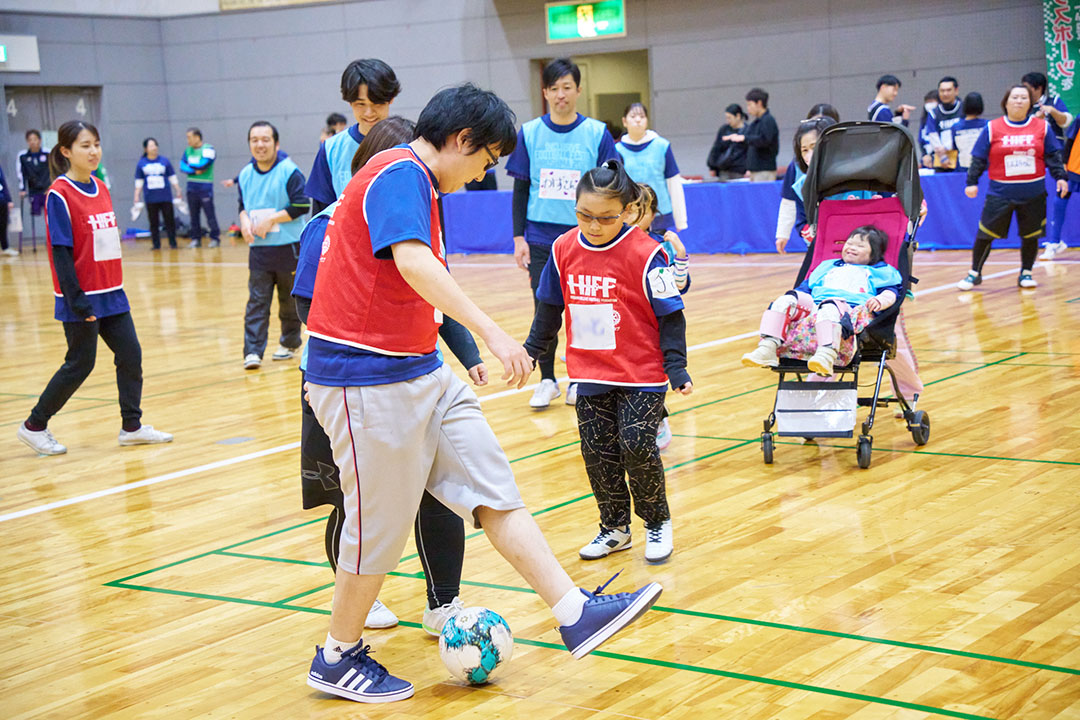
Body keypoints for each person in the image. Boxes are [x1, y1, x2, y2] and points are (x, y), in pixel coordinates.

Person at [301, 83, 661, 703]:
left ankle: (575, 611)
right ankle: (337, 655)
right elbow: (414, 264)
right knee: (377, 527)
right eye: (486, 160)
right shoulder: (397, 173)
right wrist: (492, 332)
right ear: (463, 141)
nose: (482, 175)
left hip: (419, 371)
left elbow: (413, 282)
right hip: (364, 380)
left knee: (493, 484)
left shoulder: (421, 183)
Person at [293, 116, 473, 633]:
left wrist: (470, 354)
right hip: (345, 386)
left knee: (437, 493)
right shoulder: (328, 223)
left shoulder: (421, 217)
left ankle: (444, 601)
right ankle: (356, 603)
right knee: (358, 503)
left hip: (413, 378)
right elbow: (313, 309)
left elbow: (433, 297)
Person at [523, 160, 691, 564]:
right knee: (597, 451)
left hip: (642, 372)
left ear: (629, 211)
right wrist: (532, 349)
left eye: (605, 218)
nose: (593, 226)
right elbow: (549, 305)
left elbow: (671, 315)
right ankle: (614, 527)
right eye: (584, 215)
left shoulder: (649, 254)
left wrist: (676, 365)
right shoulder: (564, 249)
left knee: (636, 447)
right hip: (590, 369)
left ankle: (656, 520)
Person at [16, 120, 173, 456]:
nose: (93, 151)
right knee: (79, 364)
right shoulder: (59, 194)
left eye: (96, 144)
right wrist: (77, 301)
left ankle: (131, 426)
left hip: (112, 292)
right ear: (65, 151)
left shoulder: (100, 187)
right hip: (81, 298)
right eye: (85, 145)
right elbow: (61, 252)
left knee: (130, 355)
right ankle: (34, 425)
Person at [506, 57, 620, 410]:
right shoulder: (529, 133)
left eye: (566, 87)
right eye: (553, 89)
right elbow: (521, 188)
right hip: (541, 237)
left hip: (589, 235)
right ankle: (547, 380)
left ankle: (582, 379)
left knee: (588, 308)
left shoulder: (597, 133)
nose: (560, 95)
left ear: (578, 90)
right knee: (545, 307)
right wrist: (518, 237)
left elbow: (614, 183)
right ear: (545, 93)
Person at [743, 225, 902, 376]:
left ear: (873, 253)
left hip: (850, 309)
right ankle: (768, 347)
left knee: (830, 307)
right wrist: (793, 300)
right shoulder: (828, 266)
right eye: (849, 243)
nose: (851, 247)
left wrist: (880, 300)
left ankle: (827, 353)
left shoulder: (880, 272)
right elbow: (806, 288)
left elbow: (891, 292)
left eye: (860, 246)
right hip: (816, 304)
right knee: (785, 300)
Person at [958, 85, 1068, 291]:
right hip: (1000, 193)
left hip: (1033, 193)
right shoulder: (992, 128)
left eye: (1024, 98)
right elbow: (979, 158)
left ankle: (1026, 272)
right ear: (1006, 102)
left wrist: (1060, 177)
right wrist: (971, 182)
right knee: (985, 234)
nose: (1019, 101)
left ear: (1030, 103)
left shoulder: (1042, 128)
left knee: (1031, 235)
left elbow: (1053, 156)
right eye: (1015, 97)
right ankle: (975, 273)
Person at [236, 121, 308, 369]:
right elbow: (242, 205)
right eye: (254, 140)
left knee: (289, 300)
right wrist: (244, 221)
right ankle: (253, 351)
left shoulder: (289, 171)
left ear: (276, 144)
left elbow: (302, 205)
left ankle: (289, 342)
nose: (260, 144)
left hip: (289, 248)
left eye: (265, 139)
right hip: (259, 249)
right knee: (257, 300)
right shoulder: (245, 174)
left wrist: (272, 219)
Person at [629, 182, 689, 452]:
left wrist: (681, 256)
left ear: (652, 214)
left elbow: (679, 287)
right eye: (630, 209)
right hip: (621, 325)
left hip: (650, 328)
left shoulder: (657, 247)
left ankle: (658, 417)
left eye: (641, 210)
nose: (633, 216)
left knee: (646, 376)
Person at [306, 58, 401, 215]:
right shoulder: (331, 150)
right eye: (361, 104)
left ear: (390, 99)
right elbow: (320, 214)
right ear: (349, 102)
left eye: (377, 103)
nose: (369, 113)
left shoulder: (411, 144)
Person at [1022, 72, 1075, 259]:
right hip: (1032, 158)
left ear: (1038, 88)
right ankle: (1049, 240)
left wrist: (1052, 111)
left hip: (1057, 158)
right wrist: (1035, 120)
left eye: (1027, 88)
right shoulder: (1024, 105)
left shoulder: (1055, 100)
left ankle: (1054, 241)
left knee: (1060, 195)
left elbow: (1067, 121)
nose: (1023, 92)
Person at [614, 102, 687, 232]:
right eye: (633, 116)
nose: (638, 120)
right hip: (629, 216)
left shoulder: (662, 146)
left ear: (647, 121)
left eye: (642, 116)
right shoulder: (616, 150)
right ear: (624, 121)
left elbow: (673, 183)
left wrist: (680, 220)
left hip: (660, 215)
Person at [776, 116, 836, 253]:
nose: (810, 156)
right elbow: (798, 213)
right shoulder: (802, 184)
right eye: (804, 150)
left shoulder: (856, 175)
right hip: (822, 249)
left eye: (814, 147)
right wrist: (809, 232)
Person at [132, 138, 184, 250]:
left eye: (155, 145)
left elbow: (172, 177)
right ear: (146, 149)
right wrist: (137, 195)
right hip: (151, 197)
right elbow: (139, 181)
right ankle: (156, 244)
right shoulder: (142, 163)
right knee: (153, 222)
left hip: (165, 196)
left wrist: (177, 189)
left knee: (169, 221)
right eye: (151, 146)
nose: (154, 148)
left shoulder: (164, 161)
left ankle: (173, 242)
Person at [180, 127, 220, 248]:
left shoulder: (208, 149)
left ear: (197, 137)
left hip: (205, 186)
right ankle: (196, 239)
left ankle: (215, 238)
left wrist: (191, 166)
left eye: (189, 137)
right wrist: (194, 170)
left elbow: (205, 164)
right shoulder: (187, 151)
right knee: (193, 215)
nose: (188, 140)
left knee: (209, 214)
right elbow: (182, 166)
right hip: (191, 187)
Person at [731, 88, 779, 182]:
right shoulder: (756, 122)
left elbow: (764, 140)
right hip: (755, 170)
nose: (748, 108)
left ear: (759, 103)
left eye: (750, 104)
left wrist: (744, 138)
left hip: (764, 170)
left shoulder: (768, 120)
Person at [924, 77, 963, 172]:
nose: (945, 94)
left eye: (949, 90)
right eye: (942, 91)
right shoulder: (933, 113)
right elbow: (933, 136)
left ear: (956, 91)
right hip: (941, 161)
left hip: (962, 160)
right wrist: (943, 156)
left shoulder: (964, 109)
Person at [17, 129, 51, 237]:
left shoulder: (48, 153)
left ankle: (52, 239)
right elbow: (21, 173)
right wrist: (22, 189)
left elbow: (54, 170)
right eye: (30, 140)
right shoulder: (22, 156)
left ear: (40, 140)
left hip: (47, 190)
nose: (33, 142)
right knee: (35, 214)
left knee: (50, 215)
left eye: (35, 139)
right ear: (27, 142)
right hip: (34, 191)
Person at [706, 104, 748, 181]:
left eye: (730, 118)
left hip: (740, 170)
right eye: (727, 118)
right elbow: (716, 148)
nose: (728, 120)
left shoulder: (748, 131)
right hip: (724, 168)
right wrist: (712, 166)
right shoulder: (724, 129)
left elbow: (750, 151)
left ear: (738, 116)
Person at [952, 93, 988, 171]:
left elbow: (954, 148)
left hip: (962, 169)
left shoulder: (955, 127)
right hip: (983, 168)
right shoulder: (987, 125)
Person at [918, 89, 939, 166]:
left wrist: (932, 157)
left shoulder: (940, 120)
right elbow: (921, 142)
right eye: (928, 102)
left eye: (932, 101)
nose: (929, 105)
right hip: (925, 162)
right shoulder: (923, 122)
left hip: (939, 161)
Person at [0, 162, 15, 256]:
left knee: (3, 224)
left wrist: (9, 199)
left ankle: (5, 247)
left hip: (2, 199)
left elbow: (3, 182)